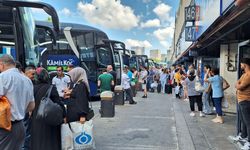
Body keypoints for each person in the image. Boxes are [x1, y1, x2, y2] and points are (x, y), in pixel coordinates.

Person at [0, 54, 35, 150]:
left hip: (4, 127)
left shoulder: (2, 77)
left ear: (1, 65)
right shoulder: (27, 80)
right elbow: (31, 106)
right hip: (20, 126)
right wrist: (19, 109)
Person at [30, 67, 64, 150]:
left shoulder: (32, 88)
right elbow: (58, 104)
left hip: (36, 120)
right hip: (49, 119)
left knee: (37, 141)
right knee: (50, 142)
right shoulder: (51, 88)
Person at [235, 58, 250, 150]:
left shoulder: (249, 75)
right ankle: (243, 136)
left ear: (245, 64)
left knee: (248, 122)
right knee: (244, 121)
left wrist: (238, 84)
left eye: (241, 64)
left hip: (246, 101)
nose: (240, 66)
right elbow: (237, 83)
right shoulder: (244, 74)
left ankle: (249, 143)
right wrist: (238, 84)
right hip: (241, 100)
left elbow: (240, 86)